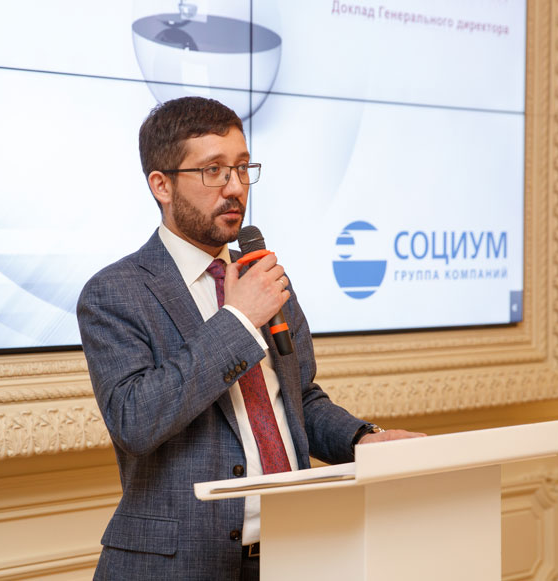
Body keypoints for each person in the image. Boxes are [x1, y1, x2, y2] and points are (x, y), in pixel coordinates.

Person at [77, 96, 424, 581]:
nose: (236, 187)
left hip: (292, 552)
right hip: (178, 565)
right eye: (213, 170)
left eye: (242, 168)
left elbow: (298, 400)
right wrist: (238, 320)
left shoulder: (261, 277)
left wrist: (364, 440)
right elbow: (135, 420)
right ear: (161, 185)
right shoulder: (116, 292)